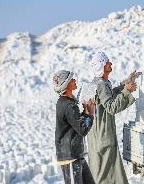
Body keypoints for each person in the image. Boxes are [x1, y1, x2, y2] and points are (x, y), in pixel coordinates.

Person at [87, 52, 139, 184]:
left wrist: (126, 83)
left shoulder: (98, 82)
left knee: (103, 174)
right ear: (102, 66)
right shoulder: (101, 84)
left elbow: (110, 94)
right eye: (108, 62)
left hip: (97, 135)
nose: (111, 64)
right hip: (103, 136)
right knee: (107, 176)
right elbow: (111, 107)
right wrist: (127, 91)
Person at [53, 70, 96, 184]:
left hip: (76, 155)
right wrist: (90, 114)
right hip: (69, 156)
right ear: (66, 85)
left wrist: (85, 113)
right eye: (72, 80)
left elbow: (74, 124)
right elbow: (82, 129)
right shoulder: (68, 105)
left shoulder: (66, 102)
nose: (74, 80)